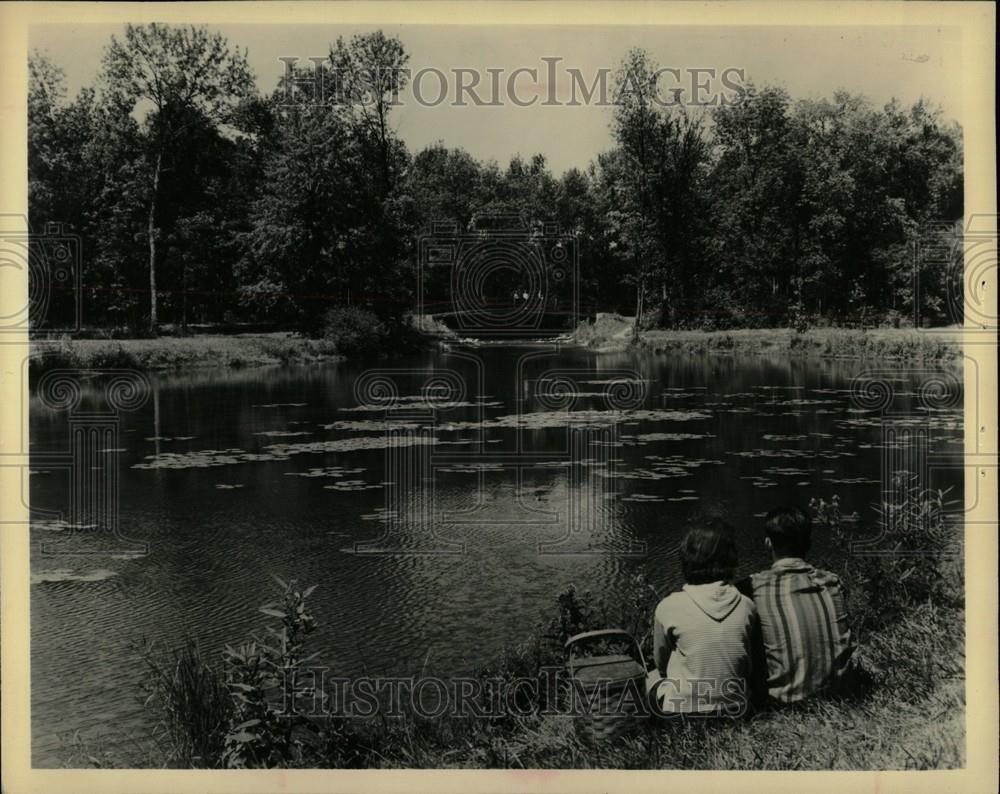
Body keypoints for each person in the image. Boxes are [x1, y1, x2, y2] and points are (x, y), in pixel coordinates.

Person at [742, 506, 854, 704]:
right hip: (838, 692)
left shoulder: (752, 587)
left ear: (768, 543)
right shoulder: (832, 582)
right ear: (808, 544)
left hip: (782, 701)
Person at [646, 518, 757, 717]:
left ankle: (655, 734)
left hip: (683, 714)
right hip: (735, 710)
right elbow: (747, 664)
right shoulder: (746, 605)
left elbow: (661, 665)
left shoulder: (669, 606)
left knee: (651, 677)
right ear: (731, 559)